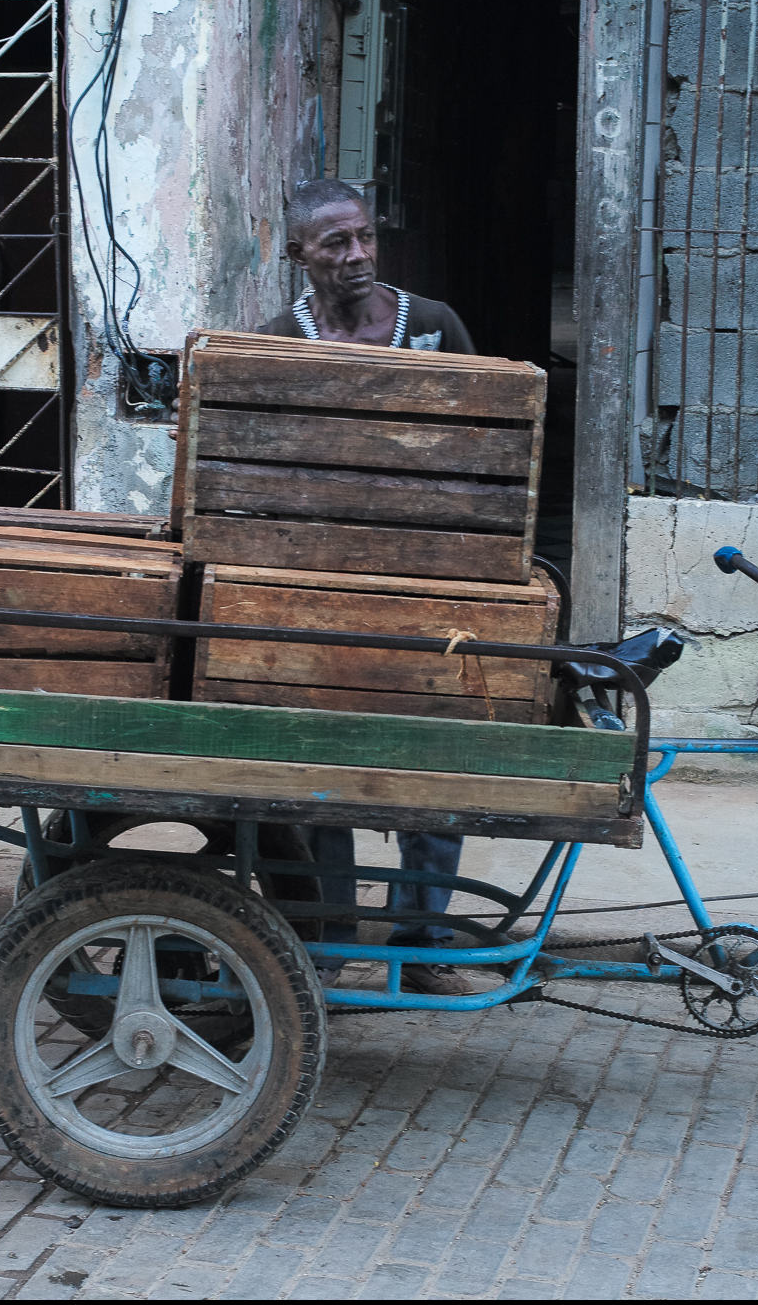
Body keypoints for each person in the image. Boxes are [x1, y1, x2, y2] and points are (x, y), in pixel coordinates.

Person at [256, 177, 489, 998]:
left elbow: (485, 448)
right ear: (298, 254)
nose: (355, 255)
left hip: (428, 588)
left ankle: (423, 943)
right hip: (319, 596)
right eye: (333, 244)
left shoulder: (431, 326)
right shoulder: (276, 341)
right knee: (324, 777)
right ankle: (326, 948)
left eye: (362, 238)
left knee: (435, 761)